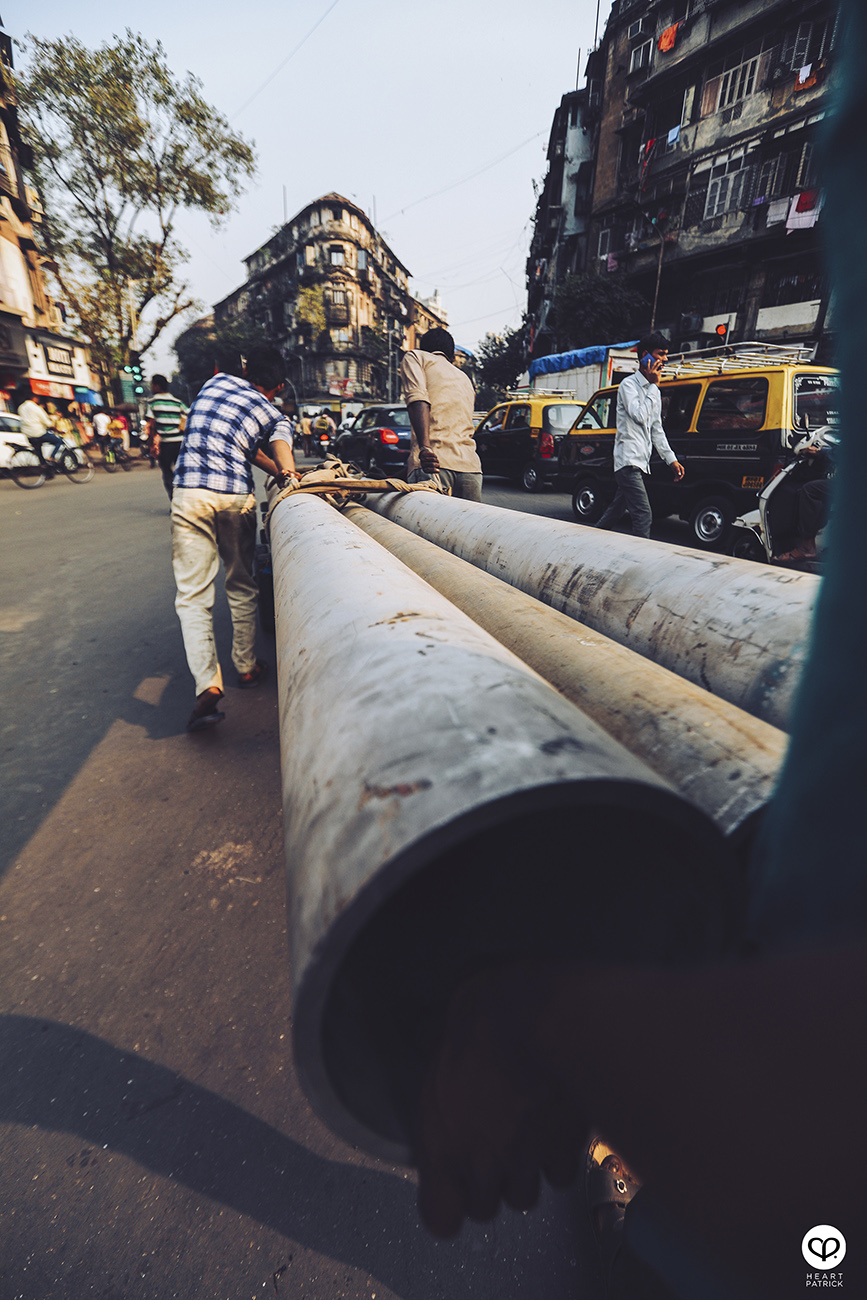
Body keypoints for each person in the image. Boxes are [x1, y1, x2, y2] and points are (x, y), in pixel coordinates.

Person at [170, 344, 298, 732]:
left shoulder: (214, 384)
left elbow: (242, 445)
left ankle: (207, 683)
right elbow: (277, 445)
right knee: (241, 583)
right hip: (234, 499)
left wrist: (276, 467)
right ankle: (246, 666)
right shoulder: (272, 413)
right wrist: (288, 473)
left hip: (190, 495)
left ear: (245, 370)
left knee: (192, 595)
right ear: (278, 386)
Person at [596, 334, 685, 538]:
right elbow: (639, 416)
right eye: (660, 354)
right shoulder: (628, 385)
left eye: (666, 355)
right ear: (646, 356)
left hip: (639, 463)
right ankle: (639, 556)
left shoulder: (654, 392)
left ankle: (588, 541)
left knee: (615, 511)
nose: (665, 359)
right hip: (628, 462)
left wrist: (671, 460)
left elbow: (656, 429)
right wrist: (653, 386)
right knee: (643, 515)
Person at [400, 327, 483, 501]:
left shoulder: (416, 357)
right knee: (468, 520)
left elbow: (418, 400)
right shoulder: (465, 379)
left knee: (425, 519)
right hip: (471, 468)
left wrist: (425, 449)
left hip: (433, 465)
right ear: (452, 357)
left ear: (424, 349)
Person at [146, 374, 189, 499]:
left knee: (167, 472)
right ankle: (184, 497)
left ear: (157, 386)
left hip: (166, 443)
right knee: (182, 472)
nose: (151, 387)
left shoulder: (153, 402)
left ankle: (174, 499)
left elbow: (151, 425)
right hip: (180, 442)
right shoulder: (177, 402)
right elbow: (189, 414)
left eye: (152, 385)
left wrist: (151, 444)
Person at [18, 395, 65, 461]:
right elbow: (47, 422)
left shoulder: (21, 407)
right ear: (34, 398)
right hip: (38, 432)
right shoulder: (36, 408)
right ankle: (51, 457)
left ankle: (43, 464)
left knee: (39, 452)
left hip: (28, 434)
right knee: (59, 441)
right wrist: (57, 430)